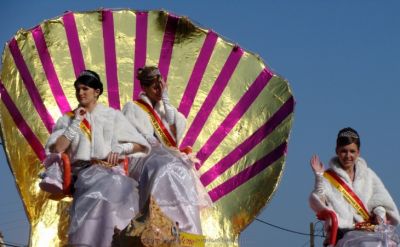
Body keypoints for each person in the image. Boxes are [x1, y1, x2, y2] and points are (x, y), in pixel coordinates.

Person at [39, 70, 150, 247]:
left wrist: (123, 147)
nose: (80, 93)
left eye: (85, 88)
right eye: (77, 89)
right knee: (108, 187)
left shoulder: (112, 116)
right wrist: (76, 123)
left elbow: (141, 145)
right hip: (83, 174)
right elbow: (57, 148)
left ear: (96, 91)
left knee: (123, 189)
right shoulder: (67, 119)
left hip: (113, 172)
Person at [122, 66, 211, 235]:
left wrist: (167, 100)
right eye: (154, 87)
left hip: (167, 155)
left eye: (160, 86)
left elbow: (175, 131)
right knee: (162, 168)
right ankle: (157, 224)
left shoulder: (165, 109)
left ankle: (186, 229)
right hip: (143, 156)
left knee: (181, 170)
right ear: (144, 88)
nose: (158, 90)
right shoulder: (132, 107)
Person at [309, 127, 400, 246]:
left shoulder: (368, 175)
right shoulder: (328, 177)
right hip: (342, 233)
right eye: (343, 151)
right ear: (337, 151)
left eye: (352, 151)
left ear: (358, 152)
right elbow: (319, 203)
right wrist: (319, 177)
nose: (348, 156)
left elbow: (381, 201)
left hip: (370, 233)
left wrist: (379, 214)